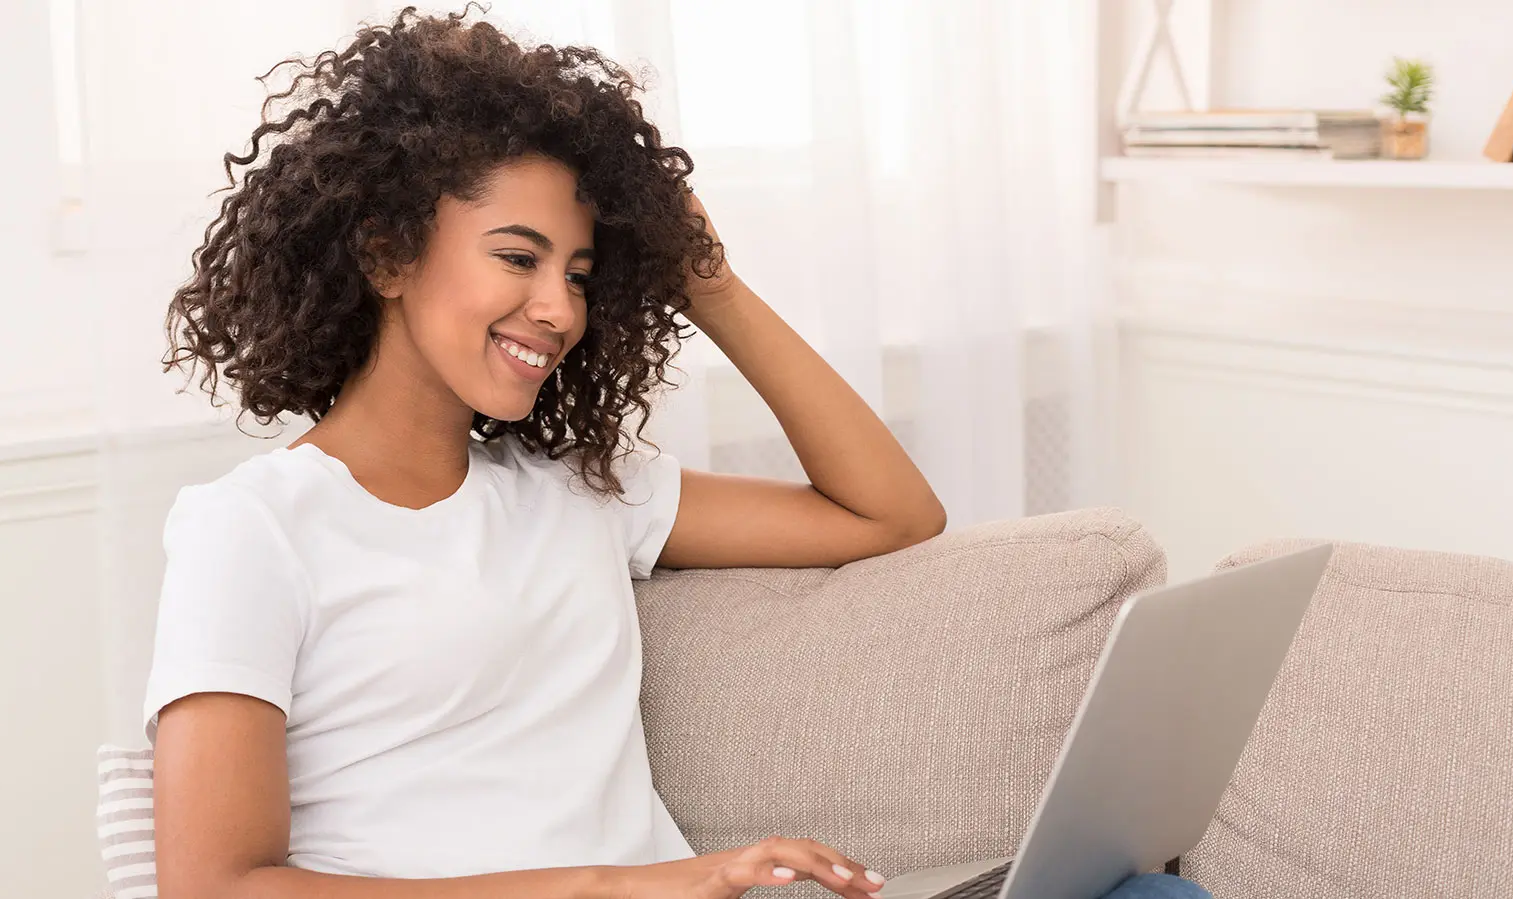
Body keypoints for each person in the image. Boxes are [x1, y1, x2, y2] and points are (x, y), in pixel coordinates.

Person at [145, 7, 1212, 899]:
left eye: (581, 271)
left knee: (1143, 889)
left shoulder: (577, 494)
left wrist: (708, 280)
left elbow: (890, 513)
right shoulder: (253, 526)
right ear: (386, 251)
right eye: (518, 256)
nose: (557, 307)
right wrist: (618, 882)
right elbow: (218, 884)